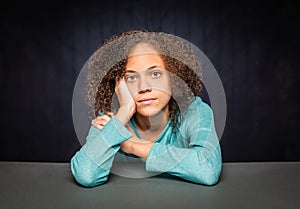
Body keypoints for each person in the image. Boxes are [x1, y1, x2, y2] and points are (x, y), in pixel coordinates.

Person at [71, 30, 222, 187]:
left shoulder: (195, 111)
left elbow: (208, 170)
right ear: (118, 86)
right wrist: (123, 112)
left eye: (155, 74)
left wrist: (132, 146)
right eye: (131, 78)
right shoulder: (113, 117)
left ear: (173, 78)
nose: (144, 87)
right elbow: (86, 174)